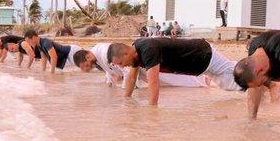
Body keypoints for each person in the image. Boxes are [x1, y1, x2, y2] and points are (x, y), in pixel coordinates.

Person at [107, 38, 244, 105]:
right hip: (199, 67)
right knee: (230, 85)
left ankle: (262, 73)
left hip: (204, 55)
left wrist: (152, 112)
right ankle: (259, 92)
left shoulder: (148, 50)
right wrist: (126, 100)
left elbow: (153, 83)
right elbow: (131, 78)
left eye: (120, 63)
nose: (122, 67)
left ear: (125, 53)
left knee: (240, 74)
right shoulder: (136, 54)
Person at [73, 42, 210, 88]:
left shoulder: (104, 52)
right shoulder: (97, 57)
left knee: (167, 77)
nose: (85, 70)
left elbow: (124, 67)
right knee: (166, 80)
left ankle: (202, 80)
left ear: (88, 56)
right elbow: (108, 70)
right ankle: (201, 79)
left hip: (137, 65)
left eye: (84, 65)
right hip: (135, 68)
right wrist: (110, 82)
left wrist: (126, 88)